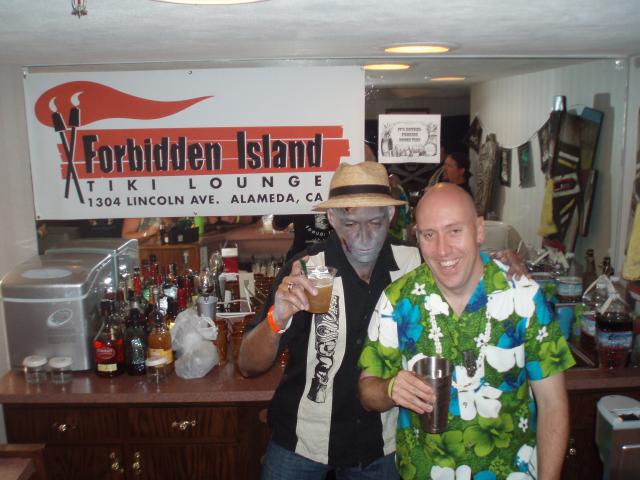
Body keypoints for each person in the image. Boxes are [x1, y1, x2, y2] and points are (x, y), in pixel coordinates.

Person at [238, 164, 526, 480]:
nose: (363, 237)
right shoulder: (307, 268)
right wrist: (277, 318)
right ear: (332, 218)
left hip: (381, 446)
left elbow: (463, 267)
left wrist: (496, 262)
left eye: (375, 222)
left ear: (390, 216)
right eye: (350, 223)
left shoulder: (416, 264)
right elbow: (248, 365)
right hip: (300, 441)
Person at [358, 183, 574, 480]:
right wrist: (390, 389)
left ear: (479, 230)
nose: (442, 249)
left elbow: (553, 404)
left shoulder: (524, 298)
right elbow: (367, 390)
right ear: (417, 237)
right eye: (429, 235)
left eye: (454, 231)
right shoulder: (398, 301)